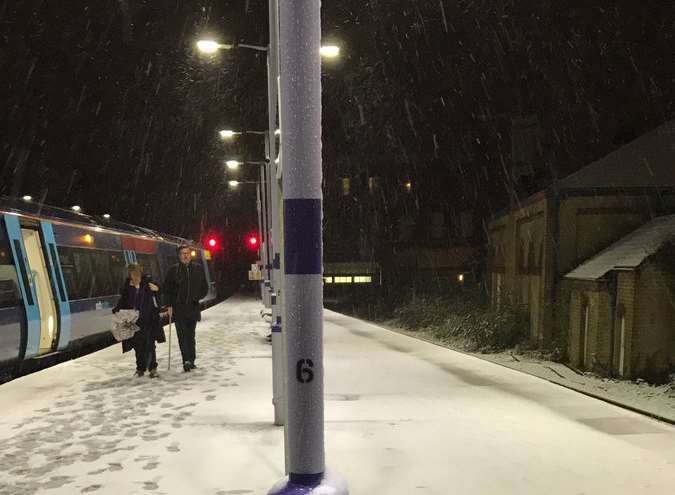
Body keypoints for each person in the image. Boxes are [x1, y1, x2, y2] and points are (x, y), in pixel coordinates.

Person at [113, 263, 165, 378]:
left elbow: (159, 290)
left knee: (150, 345)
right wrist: (117, 310)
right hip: (133, 320)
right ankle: (140, 368)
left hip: (149, 319)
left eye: (135, 272)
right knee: (138, 345)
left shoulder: (147, 282)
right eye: (131, 272)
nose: (133, 275)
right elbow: (123, 300)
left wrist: (157, 289)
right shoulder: (127, 285)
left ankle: (152, 368)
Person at [163, 245, 208, 372]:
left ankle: (191, 359)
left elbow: (204, 287)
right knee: (182, 336)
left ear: (190, 255)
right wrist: (169, 305)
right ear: (179, 255)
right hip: (179, 309)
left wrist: (197, 297)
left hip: (192, 308)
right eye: (183, 253)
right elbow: (167, 290)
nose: (185, 255)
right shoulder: (173, 270)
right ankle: (186, 361)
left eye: (187, 253)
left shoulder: (198, 269)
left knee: (190, 335)